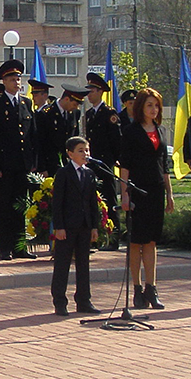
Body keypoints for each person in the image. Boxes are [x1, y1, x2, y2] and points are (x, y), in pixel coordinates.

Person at [118, 88, 175, 308]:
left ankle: (152, 288)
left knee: (151, 241)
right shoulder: (130, 132)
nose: (154, 109)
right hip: (137, 190)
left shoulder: (160, 131)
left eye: (157, 105)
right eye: (149, 105)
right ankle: (137, 289)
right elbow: (125, 166)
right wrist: (124, 194)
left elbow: (165, 166)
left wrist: (169, 194)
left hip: (156, 190)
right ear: (141, 107)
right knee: (136, 242)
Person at [0, 59, 37, 259]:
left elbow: (32, 136)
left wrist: (33, 163)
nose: (17, 82)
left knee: (20, 207)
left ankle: (20, 246)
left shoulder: (26, 103)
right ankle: (5, 248)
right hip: (4, 166)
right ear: (4, 81)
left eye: (18, 79)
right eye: (13, 79)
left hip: (22, 165)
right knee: (3, 207)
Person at [50, 136, 100, 316]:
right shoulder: (63, 173)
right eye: (80, 151)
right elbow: (57, 202)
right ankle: (60, 301)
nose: (85, 154)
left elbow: (92, 202)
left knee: (83, 264)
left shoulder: (89, 173)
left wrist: (94, 226)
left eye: (87, 150)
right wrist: (59, 226)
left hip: (84, 225)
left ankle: (84, 300)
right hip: (67, 226)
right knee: (62, 264)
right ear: (70, 154)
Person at [83, 72, 125, 249]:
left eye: (92, 91)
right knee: (94, 200)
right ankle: (97, 237)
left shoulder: (109, 113)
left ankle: (114, 238)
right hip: (92, 163)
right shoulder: (89, 114)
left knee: (109, 199)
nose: (89, 94)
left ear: (100, 92)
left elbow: (116, 140)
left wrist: (114, 160)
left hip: (105, 163)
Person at [38, 85, 86, 174]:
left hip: (69, 164)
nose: (76, 107)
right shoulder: (46, 114)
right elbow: (39, 143)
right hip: (51, 164)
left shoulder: (75, 113)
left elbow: (75, 139)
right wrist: (42, 168)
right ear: (66, 99)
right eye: (75, 104)